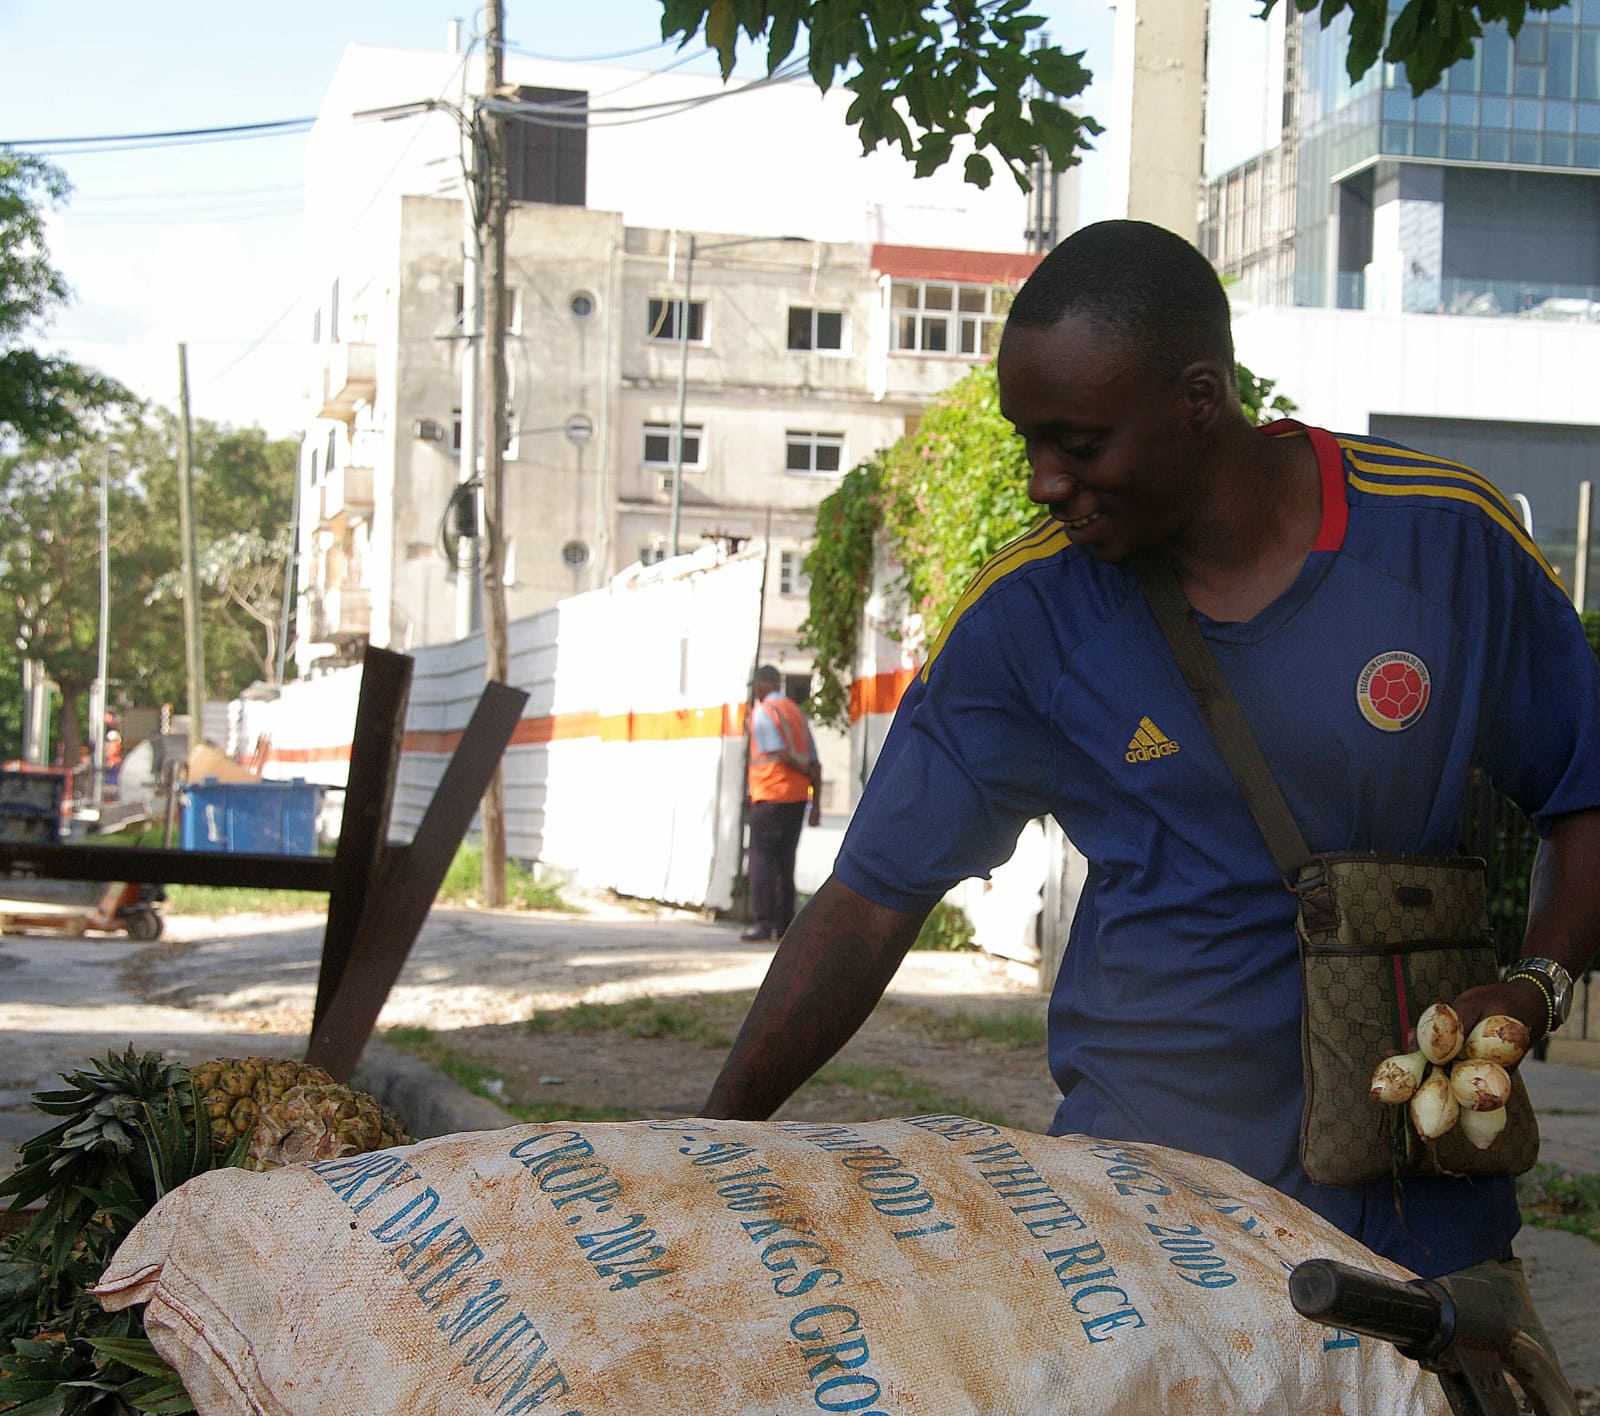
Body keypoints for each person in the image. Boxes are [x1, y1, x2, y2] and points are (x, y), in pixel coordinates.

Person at [704, 222, 1600, 1339]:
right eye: (1029, 441)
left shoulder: (1438, 546)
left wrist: (1534, 987)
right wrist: (703, 1150)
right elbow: (869, 899)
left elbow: (1585, 788)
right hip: (1139, 1224)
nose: (1043, 482)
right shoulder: (1027, 622)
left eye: (1078, 442)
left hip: (1417, 1227)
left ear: (1198, 398)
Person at [742, 664, 822, 943]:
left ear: (763, 686)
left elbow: (779, 754)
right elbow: (815, 761)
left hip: (771, 795)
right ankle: (785, 924)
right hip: (797, 798)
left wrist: (800, 770)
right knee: (785, 861)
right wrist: (818, 803)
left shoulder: (763, 713)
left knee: (762, 860)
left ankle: (764, 923)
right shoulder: (796, 712)